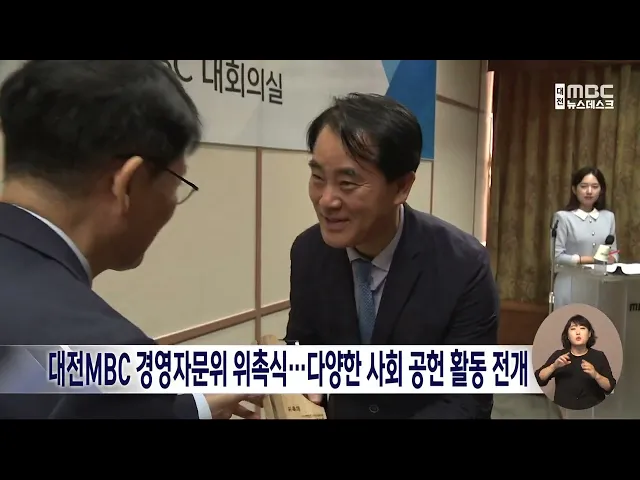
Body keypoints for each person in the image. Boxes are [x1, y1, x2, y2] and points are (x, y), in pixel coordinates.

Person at [0, 60, 262, 419]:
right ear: (128, 183)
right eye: (176, 184)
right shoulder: (110, 360)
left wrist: (189, 407)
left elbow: (27, 385)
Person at [284, 93, 499, 419]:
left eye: (347, 183)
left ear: (401, 187)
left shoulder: (464, 265)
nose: (326, 200)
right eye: (318, 178)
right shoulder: (308, 251)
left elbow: (467, 399)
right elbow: (304, 344)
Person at [552, 166, 618, 308]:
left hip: (599, 286)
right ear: (574, 189)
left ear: (601, 190)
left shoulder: (608, 217)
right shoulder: (563, 217)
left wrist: (610, 258)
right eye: (584, 186)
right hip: (569, 285)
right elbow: (556, 256)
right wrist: (588, 259)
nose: (589, 191)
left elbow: (613, 253)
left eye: (595, 187)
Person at [534, 314, 616, 410]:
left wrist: (596, 375)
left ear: (589, 334)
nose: (578, 332)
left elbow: (610, 387)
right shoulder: (559, 355)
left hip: (592, 411)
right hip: (564, 410)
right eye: (573, 329)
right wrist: (554, 366)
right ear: (568, 336)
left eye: (582, 328)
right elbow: (538, 379)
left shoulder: (599, 356)